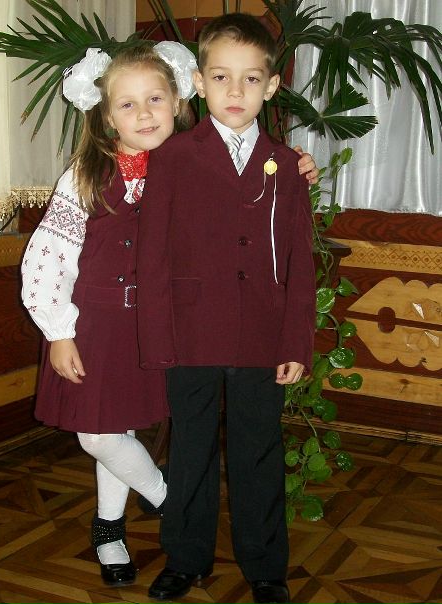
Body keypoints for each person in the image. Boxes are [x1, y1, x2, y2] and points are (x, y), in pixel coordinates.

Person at [136, 13, 317, 604]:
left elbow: (299, 261)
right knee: (190, 447)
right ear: (199, 82)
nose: (235, 91)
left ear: (271, 86)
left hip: (262, 334)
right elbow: (153, 256)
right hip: (190, 330)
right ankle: (184, 557)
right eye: (220, 77)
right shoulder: (172, 157)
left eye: (250, 79)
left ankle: (265, 566)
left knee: (257, 448)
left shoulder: (287, 166)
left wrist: (295, 342)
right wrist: (157, 338)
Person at [20, 41, 198, 588]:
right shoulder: (85, 175)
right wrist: (58, 331)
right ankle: (167, 496)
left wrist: (297, 168)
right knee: (98, 435)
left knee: (118, 428)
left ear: (177, 102)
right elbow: (48, 256)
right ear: (106, 117)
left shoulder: (191, 170)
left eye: (155, 98)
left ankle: (109, 529)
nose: (144, 113)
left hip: (154, 326)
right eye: (127, 104)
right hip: (93, 325)